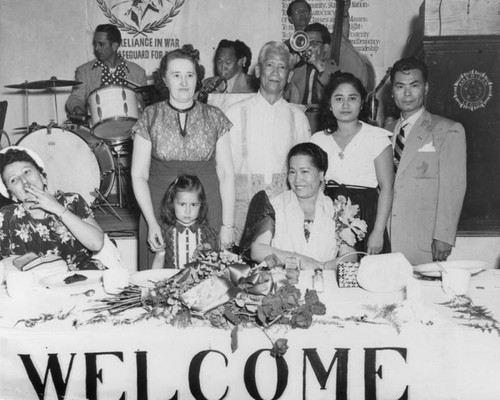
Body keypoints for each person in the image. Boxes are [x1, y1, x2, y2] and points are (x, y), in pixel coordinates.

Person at [131, 44, 235, 270]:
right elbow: (138, 174)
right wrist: (151, 223)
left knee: (209, 280)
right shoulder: (150, 116)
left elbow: (226, 174)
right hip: (158, 207)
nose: (184, 82)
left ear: (198, 78)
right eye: (176, 75)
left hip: (207, 206)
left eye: (190, 75)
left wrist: (228, 224)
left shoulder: (216, 117)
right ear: (164, 80)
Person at [225, 41, 311, 242]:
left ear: (289, 76)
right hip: (241, 211)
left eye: (282, 67)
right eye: (269, 65)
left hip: (283, 210)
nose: (275, 72)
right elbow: (224, 171)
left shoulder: (298, 118)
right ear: (257, 70)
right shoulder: (235, 113)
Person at [386, 57, 466, 265]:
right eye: (400, 86)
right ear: (392, 91)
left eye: (414, 85)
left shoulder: (448, 130)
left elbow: (453, 188)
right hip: (385, 239)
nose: (407, 93)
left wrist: (444, 236)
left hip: (424, 240)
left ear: (426, 87)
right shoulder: (383, 132)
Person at [311, 72, 394, 255]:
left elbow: (387, 188)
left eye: (352, 98)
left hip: (366, 215)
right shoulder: (318, 140)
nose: (345, 105)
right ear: (329, 104)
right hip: (328, 214)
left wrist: (378, 231)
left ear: (362, 102)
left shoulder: (377, 137)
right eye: (339, 98)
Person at [250, 143, 357, 270]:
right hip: (284, 285)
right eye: (292, 172)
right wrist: (300, 260)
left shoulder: (336, 209)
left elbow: (350, 256)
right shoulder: (274, 206)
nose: (297, 179)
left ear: (321, 174)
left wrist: (322, 268)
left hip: (325, 284)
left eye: (305, 172)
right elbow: (257, 251)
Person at [0, 146, 105, 270]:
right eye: (14, 180)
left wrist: (57, 208)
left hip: (86, 279)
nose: (24, 181)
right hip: (36, 285)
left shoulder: (71, 201)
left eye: (27, 172)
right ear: (12, 195)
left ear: (43, 177)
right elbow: (6, 266)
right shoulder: (6, 216)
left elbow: (96, 244)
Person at [65, 24, 147, 116]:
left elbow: (145, 106)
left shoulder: (138, 72)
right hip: (96, 127)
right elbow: (75, 98)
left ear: (115, 46)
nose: (96, 48)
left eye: (101, 44)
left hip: (131, 128)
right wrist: (77, 108)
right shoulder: (84, 71)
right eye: (95, 43)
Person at [152, 175, 218, 269]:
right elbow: (159, 260)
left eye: (194, 205)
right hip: (171, 281)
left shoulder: (209, 233)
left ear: (201, 205)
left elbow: (214, 264)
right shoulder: (164, 232)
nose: (188, 211)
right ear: (172, 203)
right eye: (182, 204)